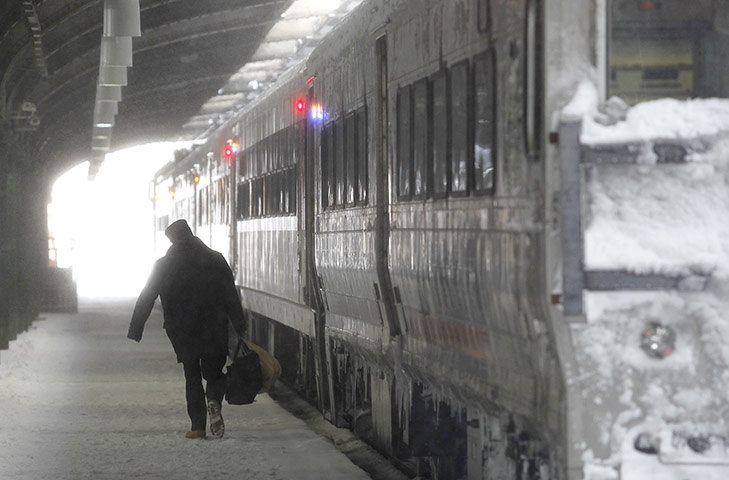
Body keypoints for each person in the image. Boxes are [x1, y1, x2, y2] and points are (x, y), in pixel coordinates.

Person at [127, 219, 245, 440]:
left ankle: (198, 427)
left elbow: (147, 295)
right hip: (214, 325)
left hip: (181, 329)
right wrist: (240, 325)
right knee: (214, 373)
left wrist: (136, 328)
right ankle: (213, 401)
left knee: (191, 375)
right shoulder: (215, 259)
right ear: (190, 234)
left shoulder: (163, 265)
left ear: (172, 239)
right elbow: (230, 295)